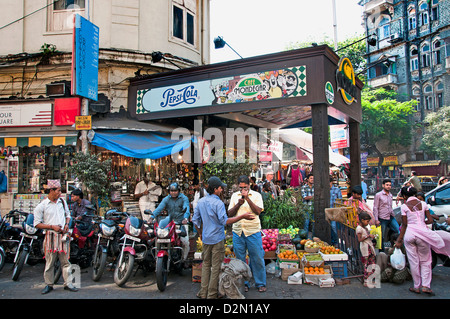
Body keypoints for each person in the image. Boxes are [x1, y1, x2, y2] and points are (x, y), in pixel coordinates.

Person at [192, 176, 255, 299]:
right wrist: (242, 217)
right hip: (217, 239)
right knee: (215, 267)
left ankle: (203, 292)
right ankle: (211, 294)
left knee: (205, 265)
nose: (222, 189)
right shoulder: (218, 203)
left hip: (206, 239)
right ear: (215, 189)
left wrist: (200, 233)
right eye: (220, 188)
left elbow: (195, 220)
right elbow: (224, 221)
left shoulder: (201, 202)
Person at [395, 186, 450, 295]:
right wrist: (422, 223)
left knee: (413, 262)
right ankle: (426, 286)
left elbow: (404, 224)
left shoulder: (404, 207)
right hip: (423, 235)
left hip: (409, 235)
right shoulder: (423, 204)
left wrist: (399, 240)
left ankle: (416, 286)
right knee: (425, 261)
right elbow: (430, 220)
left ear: (404, 196)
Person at [33, 180, 78, 294]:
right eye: (58, 191)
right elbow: (37, 224)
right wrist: (52, 226)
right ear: (51, 191)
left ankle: (68, 283)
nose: (60, 193)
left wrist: (67, 224)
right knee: (50, 263)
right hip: (51, 236)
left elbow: (68, 215)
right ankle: (49, 284)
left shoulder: (62, 202)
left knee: (66, 262)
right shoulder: (42, 206)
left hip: (63, 236)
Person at [227, 175, 266, 292]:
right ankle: (244, 283)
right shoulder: (235, 196)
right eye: (240, 188)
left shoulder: (256, 195)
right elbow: (229, 213)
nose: (242, 190)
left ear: (249, 186)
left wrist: (247, 199)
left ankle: (260, 283)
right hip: (238, 232)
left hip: (253, 231)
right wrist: (238, 204)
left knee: (257, 258)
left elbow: (258, 211)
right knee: (240, 260)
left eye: (245, 187)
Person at [149, 183, 190, 262]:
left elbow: (186, 208)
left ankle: (183, 260)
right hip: (170, 223)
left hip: (181, 222)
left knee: (185, 242)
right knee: (158, 238)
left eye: (175, 191)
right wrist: (152, 217)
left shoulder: (184, 198)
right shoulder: (166, 199)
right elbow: (159, 208)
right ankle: (157, 259)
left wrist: (185, 218)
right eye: (172, 191)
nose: (173, 193)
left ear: (178, 191)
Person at [373, 179, 399, 251]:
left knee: (398, 230)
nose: (388, 186)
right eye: (387, 185)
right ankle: (382, 252)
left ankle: (394, 246)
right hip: (382, 218)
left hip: (390, 216)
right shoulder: (378, 195)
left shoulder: (390, 195)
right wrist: (376, 219)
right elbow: (375, 207)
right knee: (382, 236)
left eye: (390, 185)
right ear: (383, 185)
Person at [356, 211, 377, 287]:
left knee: (372, 264)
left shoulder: (365, 228)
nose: (368, 223)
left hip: (369, 248)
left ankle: (370, 279)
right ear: (362, 220)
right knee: (366, 265)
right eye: (367, 221)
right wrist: (368, 236)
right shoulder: (359, 229)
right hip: (365, 249)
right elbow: (359, 239)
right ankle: (366, 281)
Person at [329, 178, 342, 246]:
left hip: (334, 211)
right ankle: (332, 241)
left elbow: (340, 201)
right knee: (329, 226)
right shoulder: (325, 190)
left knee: (334, 226)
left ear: (331, 182)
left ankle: (336, 242)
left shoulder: (337, 190)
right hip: (328, 211)